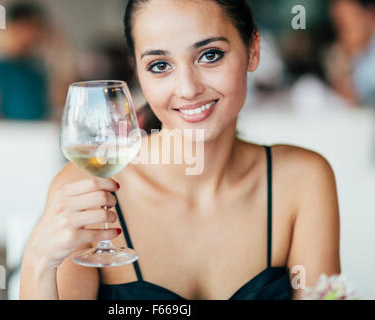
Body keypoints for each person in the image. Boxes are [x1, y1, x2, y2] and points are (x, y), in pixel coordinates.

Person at [19, 0, 341, 300]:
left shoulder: (302, 180)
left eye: (210, 55)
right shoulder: (85, 187)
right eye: (160, 65)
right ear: (138, 73)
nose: (188, 88)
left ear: (253, 49)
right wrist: (35, 261)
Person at [325, 0, 375, 106]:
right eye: (337, 27)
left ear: (370, 17)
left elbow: (354, 100)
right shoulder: (359, 53)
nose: (341, 34)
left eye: (345, 25)